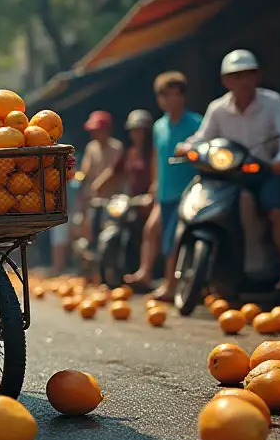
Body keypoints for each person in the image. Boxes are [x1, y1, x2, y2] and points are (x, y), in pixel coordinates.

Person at [176, 49, 280, 292]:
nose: (242, 81)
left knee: (276, 210)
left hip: (266, 172)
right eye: (236, 76)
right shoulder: (218, 108)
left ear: (257, 77)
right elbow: (203, 137)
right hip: (230, 175)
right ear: (226, 81)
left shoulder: (272, 102)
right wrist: (187, 147)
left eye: (247, 75)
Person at [125, 72, 203, 297]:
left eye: (175, 95)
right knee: (151, 229)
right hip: (164, 192)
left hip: (188, 192)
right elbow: (156, 159)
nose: (170, 100)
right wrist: (154, 185)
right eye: (165, 96)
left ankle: (171, 285)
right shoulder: (159, 126)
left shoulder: (197, 123)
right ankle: (145, 273)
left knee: (173, 237)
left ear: (183, 96)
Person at [77, 111, 124, 262]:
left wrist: (98, 184)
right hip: (92, 199)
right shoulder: (91, 147)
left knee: (109, 230)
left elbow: (112, 170)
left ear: (106, 130)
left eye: (97, 130)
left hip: (111, 200)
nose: (94, 134)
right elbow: (85, 170)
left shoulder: (116, 147)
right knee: (88, 233)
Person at [121, 110, 154, 197]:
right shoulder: (130, 153)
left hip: (151, 198)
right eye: (133, 130)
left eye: (139, 130)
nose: (136, 134)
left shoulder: (154, 153)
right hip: (134, 200)